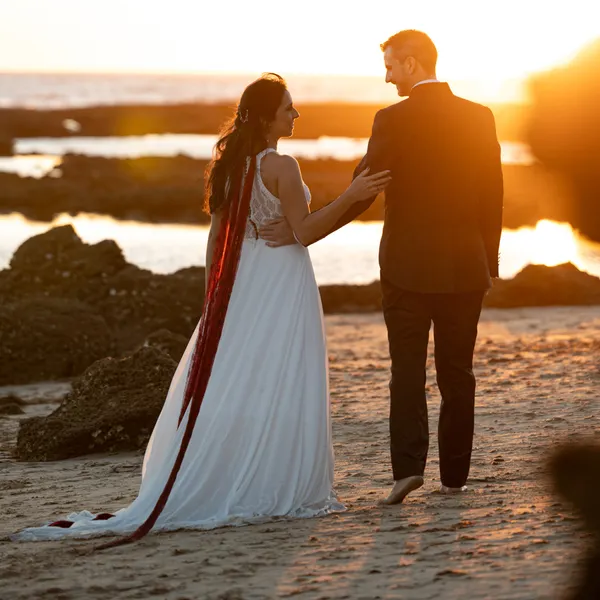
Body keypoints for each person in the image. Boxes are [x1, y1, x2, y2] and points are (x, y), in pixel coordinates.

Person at [13, 73, 390, 544]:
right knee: (280, 373)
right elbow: (305, 231)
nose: (296, 114)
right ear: (267, 115)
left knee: (237, 374)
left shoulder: (231, 165)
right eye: (289, 107)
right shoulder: (283, 166)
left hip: (240, 279)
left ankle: (237, 468)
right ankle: (270, 480)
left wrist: (214, 296)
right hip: (280, 277)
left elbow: (216, 239)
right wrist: (354, 196)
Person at [261, 31, 504, 505]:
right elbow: (493, 194)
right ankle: (455, 477)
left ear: (412, 64)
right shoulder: (480, 116)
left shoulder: (392, 119)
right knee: (459, 373)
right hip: (465, 266)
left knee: (407, 371)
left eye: (392, 65)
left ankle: (407, 471)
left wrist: (307, 228)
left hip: (406, 267)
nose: (388, 75)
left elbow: (366, 187)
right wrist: (488, 262)